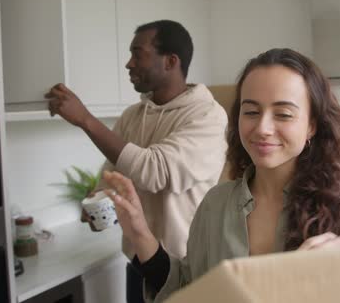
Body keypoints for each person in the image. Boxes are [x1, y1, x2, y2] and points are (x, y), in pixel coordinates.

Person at [99, 48, 340, 302]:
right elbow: (187, 289)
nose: (263, 128)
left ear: (312, 125)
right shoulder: (215, 205)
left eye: (283, 114)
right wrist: (140, 232)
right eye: (251, 111)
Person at [45, 20, 228, 303]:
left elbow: (154, 171)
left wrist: (85, 119)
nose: (129, 64)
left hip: (184, 266)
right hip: (138, 262)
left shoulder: (207, 116)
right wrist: (99, 204)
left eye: (137, 54)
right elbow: (113, 178)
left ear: (170, 61)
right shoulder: (132, 115)